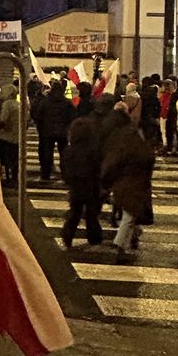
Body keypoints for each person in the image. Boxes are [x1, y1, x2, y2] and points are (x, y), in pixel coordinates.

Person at [102, 106, 155, 260]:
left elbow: (112, 162)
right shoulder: (131, 138)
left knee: (131, 212)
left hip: (124, 182)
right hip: (133, 182)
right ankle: (119, 244)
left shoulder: (115, 136)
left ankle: (133, 236)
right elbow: (146, 157)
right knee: (130, 215)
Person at [61, 97, 109, 247]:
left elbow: (64, 168)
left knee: (75, 212)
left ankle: (68, 235)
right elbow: (99, 166)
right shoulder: (93, 149)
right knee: (91, 213)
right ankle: (94, 236)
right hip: (91, 185)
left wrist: (69, 180)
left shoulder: (70, 150)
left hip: (76, 185)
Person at [32, 80, 75, 182]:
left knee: (47, 153)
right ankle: (65, 174)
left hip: (48, 132)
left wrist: (40, 126)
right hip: (62, 132)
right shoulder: (66, 102)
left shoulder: (45, 102)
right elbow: (73, 115)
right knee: (63, 154)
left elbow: (38, 116)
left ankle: (45, 174)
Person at [0, 86, 21, 189]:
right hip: (17, 136)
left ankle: (8, 179)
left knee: (6, 160)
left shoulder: (7, 104)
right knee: (15, 160)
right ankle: (14, 178)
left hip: (6, 136)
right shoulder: (19, 104)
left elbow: (3, 119)